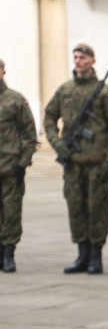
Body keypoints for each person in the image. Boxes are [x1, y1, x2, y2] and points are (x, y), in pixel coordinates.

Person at [44, 43, 108, 274]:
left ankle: (96, 256)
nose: (78, 61)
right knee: (75, 207)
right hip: (73, 162)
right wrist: (57, 143)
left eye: (83, 57)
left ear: (92, 61)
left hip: (97, 161)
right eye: (75, 57)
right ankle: (82, 254)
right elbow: (49, 117)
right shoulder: (65, 89)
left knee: (97, 208)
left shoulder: (104, 91)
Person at [0, 57, 37, 273]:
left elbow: (30, 134)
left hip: (9, 166)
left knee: (11, 211)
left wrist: (22, 163)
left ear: (3, 72)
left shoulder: (15, 100)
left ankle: (8, 253)